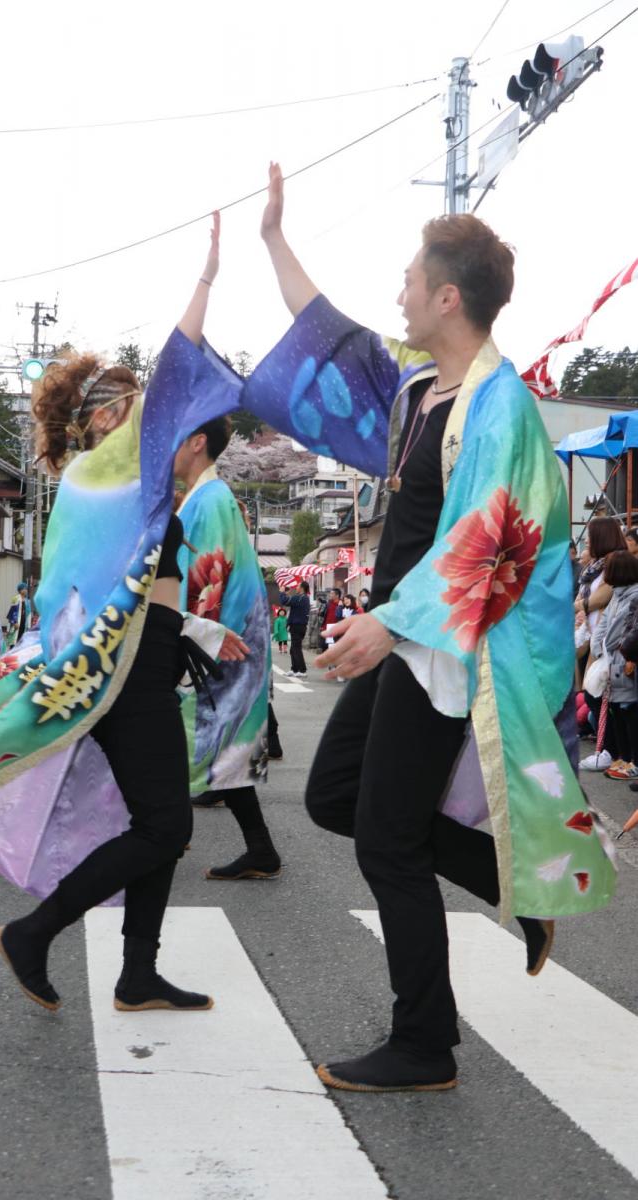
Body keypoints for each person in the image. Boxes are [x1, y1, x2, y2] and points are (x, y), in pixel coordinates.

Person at [234, 163, 615, 1092]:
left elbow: (496, 538)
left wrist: (391, 623)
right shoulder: (415, 393)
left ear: (447, 296)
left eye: (410, 280)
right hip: (402, 636)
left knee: (384, 841)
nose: (397, 293)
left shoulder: (501, 408)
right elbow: (327, 336)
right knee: (333, 799)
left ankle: (423, 1043)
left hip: (445, 645)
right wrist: (273, 240)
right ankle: (511, 884)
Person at [0, 215, 246, 1012]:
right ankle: (36, 931)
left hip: (131, 660)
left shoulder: (100, 486)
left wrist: (203, 633)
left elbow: (140, 590)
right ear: (111, 420)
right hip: (125, 671)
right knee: (164, 828)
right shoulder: (110, 468)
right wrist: (205, 279)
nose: (163, 422)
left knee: (157, 820)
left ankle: (138, 971)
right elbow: (179, 362)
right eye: (142, 411)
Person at [175, 415, 282, 880]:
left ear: (198, 443)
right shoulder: (208, 497)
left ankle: (160, 838)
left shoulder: (211, 498)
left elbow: (207, 578)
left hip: (215, 645)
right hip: (219, 642)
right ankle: (259, 850)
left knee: (192, 743)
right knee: (225, 751)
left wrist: (187, 639)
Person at [576, 517, 627, 771]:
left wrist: (580, 605)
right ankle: (610, 751)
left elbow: (600, 598)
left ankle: (612, 751)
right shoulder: (593, 567)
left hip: (610, 639)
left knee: (605, 696)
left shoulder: (614, 562)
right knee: (594, 693)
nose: (586, 541)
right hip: (592, 635)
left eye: (589, 537)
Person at [590, 551, 638, 780]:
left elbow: (627, 630)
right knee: (616, 709)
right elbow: (604, 624)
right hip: (612, 660)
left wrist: (619, 651)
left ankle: (633, 761)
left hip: (626, 659)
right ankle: (623, 756)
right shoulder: (617, 597)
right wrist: (599, 649)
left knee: (629, 710)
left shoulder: (634, 595)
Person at [284, 580, 310, 677]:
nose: (296, 587)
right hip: (297, 625)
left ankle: (302, 670)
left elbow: (285, 601)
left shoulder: (301, 598)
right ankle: (294, 669)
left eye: (298, 586)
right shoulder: (303, 598)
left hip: (298, 626)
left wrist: (283, 592)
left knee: (296, 648)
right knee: (293, 648)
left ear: (302, 588)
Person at [5, 582, 32, 650]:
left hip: (24, 624)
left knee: (21, 640)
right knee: (14, 640)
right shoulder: (15, 598)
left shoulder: (27, 601)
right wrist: (14, 622)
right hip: (16, 624)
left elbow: (29, 614)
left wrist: (29, 626)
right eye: (24, 589)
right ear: (20, 590)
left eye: (26, 589)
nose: (26, 590)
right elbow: (12, 611)